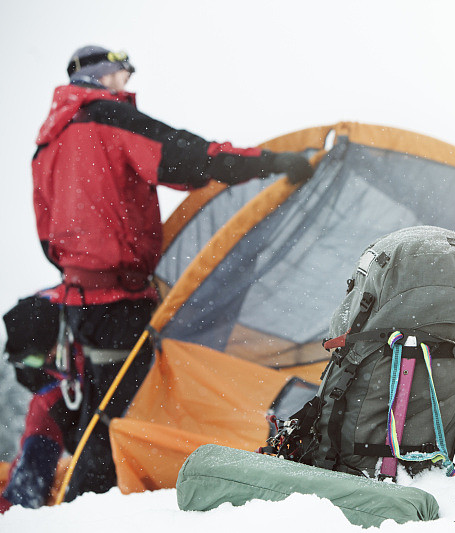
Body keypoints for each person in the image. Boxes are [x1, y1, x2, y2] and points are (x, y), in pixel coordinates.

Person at [29, 45, 314, 503]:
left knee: (102, 411)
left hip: (79, 303)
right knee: (130, 414)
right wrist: (269, 162)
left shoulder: (48, 142)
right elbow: (189, 156)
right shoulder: (108, 118)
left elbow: (47, 236)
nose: (127, 83)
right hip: (120, 302)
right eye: (123, 73)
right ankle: (106, 503)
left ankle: (91, 502)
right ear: (105, 76)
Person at [1, 291, 84, 513]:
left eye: (36, 358)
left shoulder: (92, 331)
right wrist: (12, 513)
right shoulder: (53, 387)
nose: (41, 365)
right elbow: (36, 447)